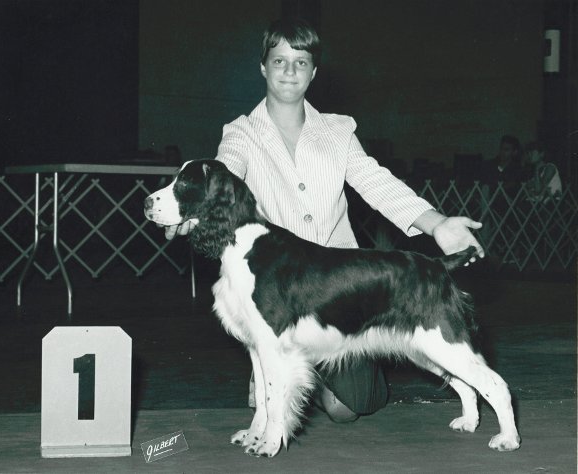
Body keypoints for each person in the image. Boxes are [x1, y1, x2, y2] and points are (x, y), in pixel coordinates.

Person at [163, 18, 484, 422]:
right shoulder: (241, 134)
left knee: (349, 408)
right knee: (284, 357)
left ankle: (302, 370)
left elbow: (377, 183)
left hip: (338, 289)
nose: (289, 71)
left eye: (300, 62)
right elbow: (224, 175)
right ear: (263, 67)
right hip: (277, 290)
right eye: (279, 61)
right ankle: (280, 364)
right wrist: (193, 207)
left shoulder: (337, 130)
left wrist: (437, 224)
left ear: (314, 73)